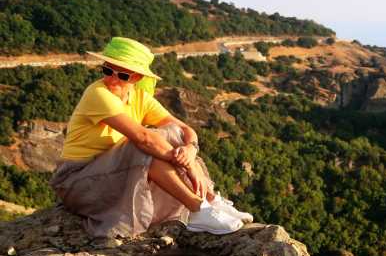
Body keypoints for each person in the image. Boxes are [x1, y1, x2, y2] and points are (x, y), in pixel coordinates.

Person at [51, 37, 252, 238]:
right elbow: (142, 138)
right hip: (76, 181)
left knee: (172, 135)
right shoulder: (97, 94)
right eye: (107, 70)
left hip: (109, 173)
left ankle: (210, 201)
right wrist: (189, 165)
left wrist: (191, 149)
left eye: (121, 74)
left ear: (136, 78)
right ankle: (197, 209)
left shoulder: (139, 98)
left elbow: (183, 129)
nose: (112, 79)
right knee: (143, 146)